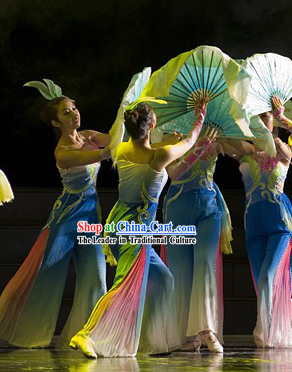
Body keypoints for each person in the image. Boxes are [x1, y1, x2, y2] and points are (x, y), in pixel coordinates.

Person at [69, 96, 213, 358]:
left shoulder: (123, 150)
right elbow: (190, 141)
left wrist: (175, 143)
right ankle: (86, 334)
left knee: (164, 280)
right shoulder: (161, 155)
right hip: (135, 230)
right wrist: (199, 116)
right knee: (124, 283)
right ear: (153, 123)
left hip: (117, 225)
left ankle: (150, 340)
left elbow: (164, 158)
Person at [0, 95, 110, 348]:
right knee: (41, 276)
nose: (74, 113)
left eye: (74, 108)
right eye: (66, 112)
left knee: (97, 276)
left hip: (90, 220)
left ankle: (89, 336)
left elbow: (118, 139)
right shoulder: (62, 153)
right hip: (66, 218)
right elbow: (107, 153)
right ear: (55, 122)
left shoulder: (89, 136)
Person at [161, 131, 254, 353]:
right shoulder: (169, 136)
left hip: (209, 207)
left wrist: (223, 139)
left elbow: (249, 150)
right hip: (178, 205)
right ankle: (186, 334)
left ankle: (206, 328)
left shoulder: (215, 135)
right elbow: (173, 173)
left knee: (205, 264)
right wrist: (196, 146)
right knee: (181, 269)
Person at [228, 97, 292, 347]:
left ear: (274, 119)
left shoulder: (282, 149)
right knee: (260, 279)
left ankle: (264, 332)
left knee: (268, 277)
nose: (262, 120)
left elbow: (286, 150)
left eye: (266, 116)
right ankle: (272, 327)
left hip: (280, 225)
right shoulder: (246, 152)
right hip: (253, 224)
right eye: (258, 116)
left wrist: (282, 119)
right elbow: (224, 143)